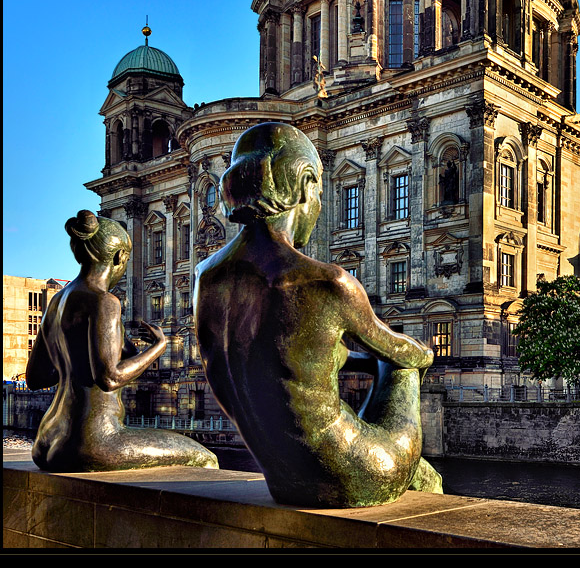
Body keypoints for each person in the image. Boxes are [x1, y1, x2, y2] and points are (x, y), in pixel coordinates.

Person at [194, 122, 442, 507]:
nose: (321, 206)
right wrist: (424, 354)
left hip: (284, 481)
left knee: (421, 470)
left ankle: (419, 473)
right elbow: (404, 354)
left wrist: (347, 357)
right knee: (400, 367)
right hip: (350, 476)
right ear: (307, 184)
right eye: (322, 194)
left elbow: (283, 364)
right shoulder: (327, 281)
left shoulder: (205, 279)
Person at [27, 211, 218, 472]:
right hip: (92, 440)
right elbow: (109, 378)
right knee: (205, 458)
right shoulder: (104, 301)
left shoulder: (57, 302)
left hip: (47, 440)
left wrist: (112, 349)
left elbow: (36, 377)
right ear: (120, 258)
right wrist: (158, 347)